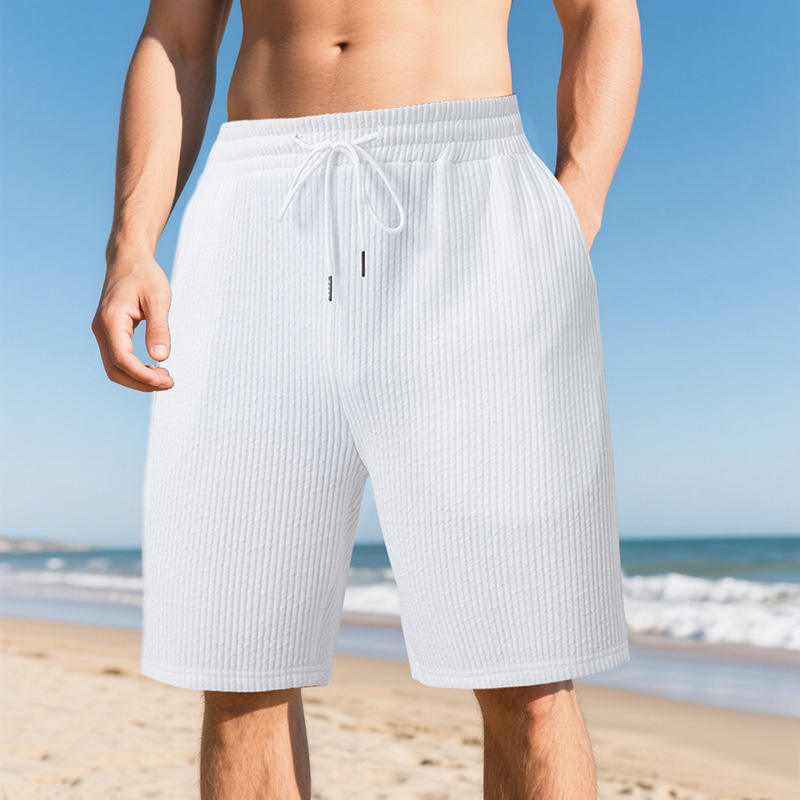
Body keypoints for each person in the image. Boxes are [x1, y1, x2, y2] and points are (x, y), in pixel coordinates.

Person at [91, 0, 642, 797]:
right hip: (256, 202)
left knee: (528, 671)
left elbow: (601, 13)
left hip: (467, 189)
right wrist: (132, 243)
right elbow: (176, 39)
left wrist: (573, 206)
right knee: (240, 672)